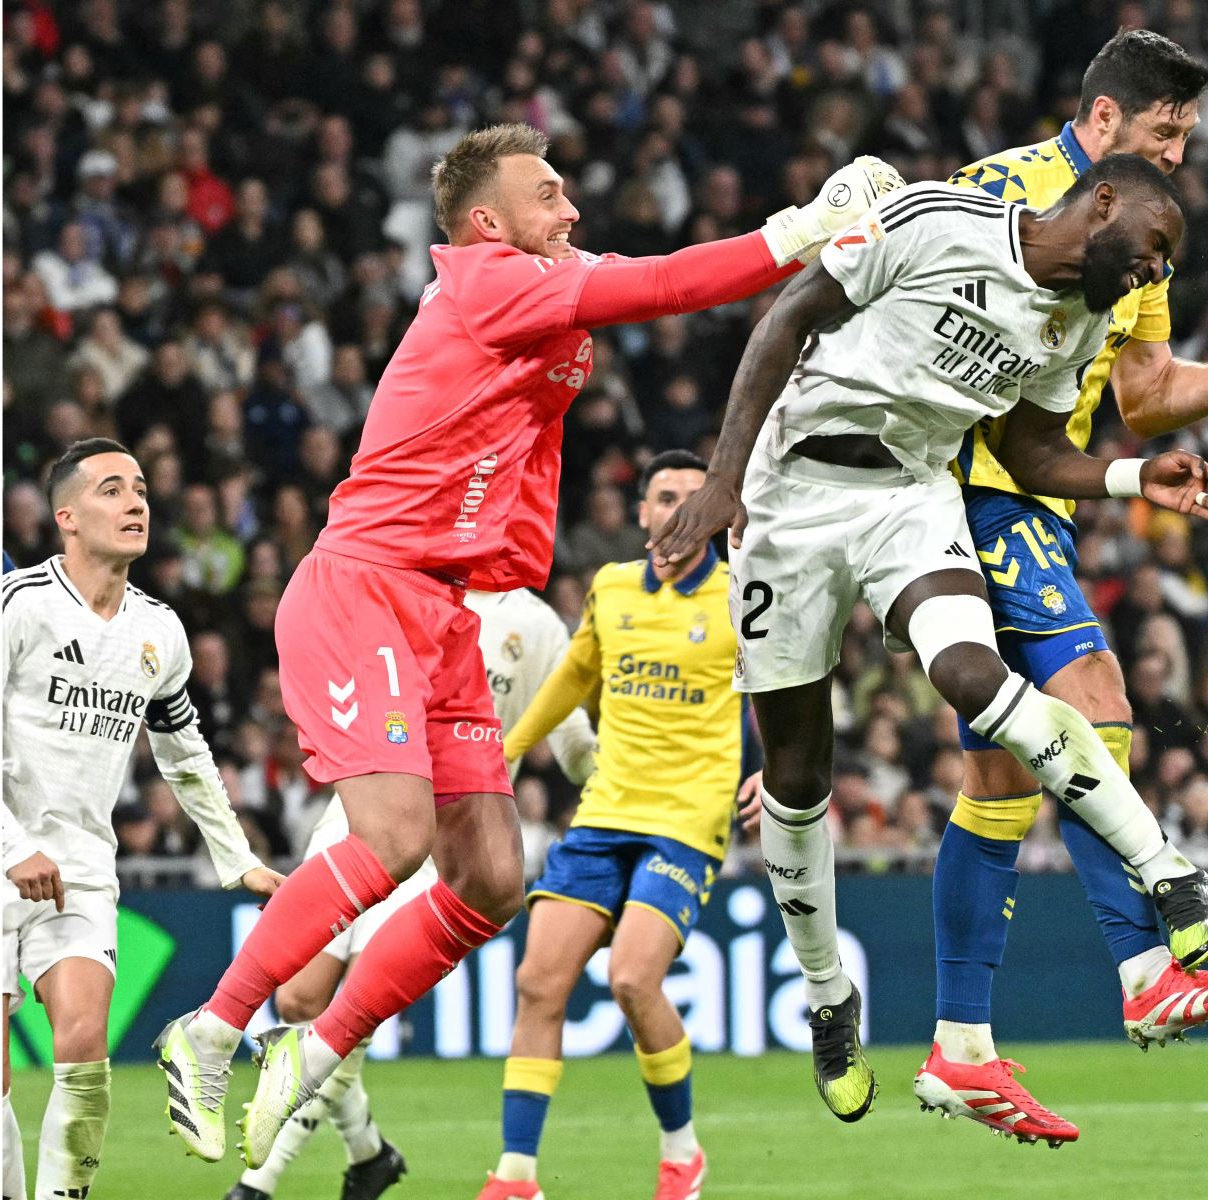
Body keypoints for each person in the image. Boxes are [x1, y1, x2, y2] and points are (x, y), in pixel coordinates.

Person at [156, 122, 903, 1168]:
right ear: (487, 223)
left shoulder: (537, 286)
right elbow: (666, 285)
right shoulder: (485, 281)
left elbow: (618, 330)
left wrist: (839, 252)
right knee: (394, 838)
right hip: (365, 587)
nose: (572, 211)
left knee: (495, 880)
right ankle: (214, 1027)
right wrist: (805, 225)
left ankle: (315, 1052)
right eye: (548, 196)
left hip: (445, 610)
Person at [650, 154, 1208, 1143]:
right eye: (1155, 250)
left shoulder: (1075, 320)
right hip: (789, 498)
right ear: (1104, 202)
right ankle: (830, 997)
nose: (1156, 276)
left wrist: (1129, 479)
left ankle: (1169, 873)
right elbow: (784, 319)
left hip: (912, 496)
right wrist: (724, 478)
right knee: (797, 774)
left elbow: (1032, 453)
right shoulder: (941, 220)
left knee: (972, 671)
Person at [934, 28, 1208, 1086]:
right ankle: (1147, 971)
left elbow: (1140, 397)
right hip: (960, 490)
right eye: (1165, 129)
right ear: (1103, 121)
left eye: (1188, 133)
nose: (1181, 151)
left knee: (1002, 783)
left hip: (1035, 495)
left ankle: (960, 1046)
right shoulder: (997, 191)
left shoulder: (1146, 230)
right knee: (1096, 701)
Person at [225, 586, 596, 1200]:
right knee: (297, 1001)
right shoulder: (409, 581)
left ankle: (256, 1185)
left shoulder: (537, 623)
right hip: (359, 814)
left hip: (445, 837)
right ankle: (369, 1155)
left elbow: (573, 743)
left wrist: (628, 771)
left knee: (353, 1017)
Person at [3, 439, 281, 1200]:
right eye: (112, 490)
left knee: (86, 1045)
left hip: (81, 869)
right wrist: (11, 844)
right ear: (66, 516)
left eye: (142, 490)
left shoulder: (161, 633)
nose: (136, 503)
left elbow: (186, 754)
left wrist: (238, 859)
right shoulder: (19, 605)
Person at [479, 451, 757, 1200]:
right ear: (641, 513)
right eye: (664, 498)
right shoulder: (611, 589)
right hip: (606, 812)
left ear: (720, 516)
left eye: (694, 500)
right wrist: (504, 752)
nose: (677, 511)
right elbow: (571, 678)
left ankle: (681, 1154)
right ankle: (517, 1178)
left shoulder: (741, 595)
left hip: (687, 819)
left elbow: (791, 680)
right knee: (538, 982)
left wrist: (782, 773)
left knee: (633, 978)